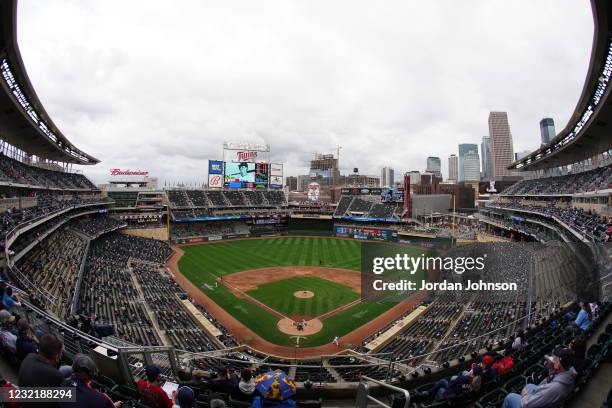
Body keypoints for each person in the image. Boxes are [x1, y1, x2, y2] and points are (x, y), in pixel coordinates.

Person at [501, 348, 577, 408]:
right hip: (551, 399)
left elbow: (526, 405)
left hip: (531, 404)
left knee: (510, 397)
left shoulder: (553, 388)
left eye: (556, 358)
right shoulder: (569, 370)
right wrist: (551, 368)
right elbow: (556, 374)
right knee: (529, 386)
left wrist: (525, 395)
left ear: (559, 364)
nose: (554, 358)